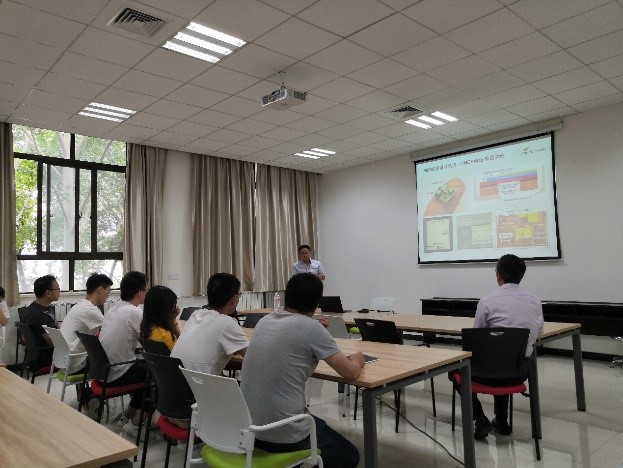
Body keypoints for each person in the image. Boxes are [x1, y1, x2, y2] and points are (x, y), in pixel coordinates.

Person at [240, 273, 364, 468]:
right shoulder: (312, 329)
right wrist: (358, 359)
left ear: (286, 296)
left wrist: (316, 331)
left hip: (249, 429)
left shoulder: (264, 321)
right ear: (316, 304)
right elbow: (351, 373)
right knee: (350, 456)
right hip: (283, 434)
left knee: (319, 424)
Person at [471, 254, 544, 440]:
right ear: (521, 275)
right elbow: (538, 334)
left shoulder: (487, 301)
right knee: (505, 361)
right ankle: (502, 421)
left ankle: (479, 418)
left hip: (486, 372)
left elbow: (476, 338)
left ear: (499, 275)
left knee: (455, 371)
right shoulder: (535, 301)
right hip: (520, 371)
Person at [99, 271, 149, 437]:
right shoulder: (134, 312)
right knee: (157, 375)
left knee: (146, 368)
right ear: (140, 292)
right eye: (146, 290)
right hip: (118, 371)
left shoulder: (114, 309)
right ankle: (135, 424)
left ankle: (128, 414)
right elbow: (150, 342)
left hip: (104, 370)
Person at [172, 273, 248, 375]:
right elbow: (252, 357)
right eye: (239, 295)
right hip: (198, 383)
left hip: (172, 380)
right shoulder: (227, 323)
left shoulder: (196, 315)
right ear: (234, 299)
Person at [60, 273, 112, 374]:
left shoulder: (80, 305)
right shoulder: (90, 310)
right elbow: (110, 332)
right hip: (76, 363)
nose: (108, 296)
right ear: (100, 289)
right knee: (117, 362)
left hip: (64, 361)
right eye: (108, 292)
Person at [21, 275, 60, 348]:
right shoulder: (38, 315)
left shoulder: (37, 307)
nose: (59, 291)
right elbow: (54, 343)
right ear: (48, 293)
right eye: (57, 289)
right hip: (48, 353)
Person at [139, 285, 180, 352]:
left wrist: (172, 320)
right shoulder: (165, 336)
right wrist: (174, 322)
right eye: (173, 305)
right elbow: (183, 350)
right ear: (166, 310)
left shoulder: (147, 328)